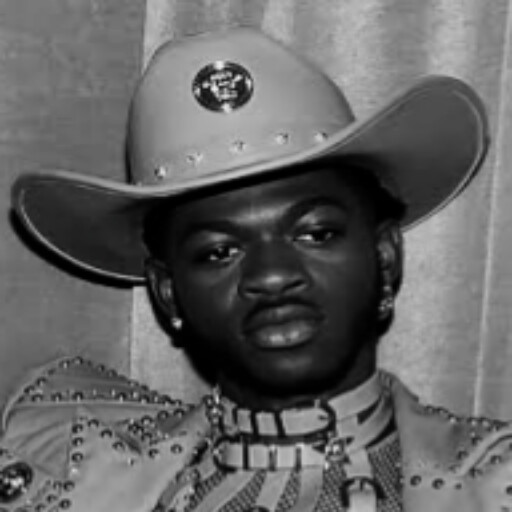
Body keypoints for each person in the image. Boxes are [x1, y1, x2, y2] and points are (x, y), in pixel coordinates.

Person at [0, 26, 508, 512]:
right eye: (219, 252)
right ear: (168, 291)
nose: (272, 275)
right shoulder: (67, 467)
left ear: (385, 256)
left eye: (315, 233)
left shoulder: (490, 484)